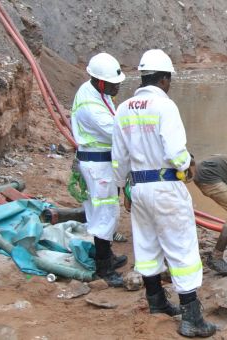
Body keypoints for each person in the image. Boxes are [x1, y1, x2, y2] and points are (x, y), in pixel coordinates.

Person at [112, 49, 215, 338]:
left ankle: (156, 302)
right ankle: (191, 317)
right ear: (165, 78)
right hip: (165, 186)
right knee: (182, 248)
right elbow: (175, 153)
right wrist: (187, 163)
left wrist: (124, 190)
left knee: (147, 246)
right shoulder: (164, 106)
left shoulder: (123, 109)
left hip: (139, 188)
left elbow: (118, 159)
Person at [71, 52, 126, 287]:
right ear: (101, 82)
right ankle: (104, 266)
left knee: (103, 210)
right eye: (115, 85)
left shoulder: (96, 91)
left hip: (101, 162)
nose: (118, 88)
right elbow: (118, 132)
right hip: (98, 164)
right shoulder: (91, 106)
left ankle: (107, 255)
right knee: (105, 213)